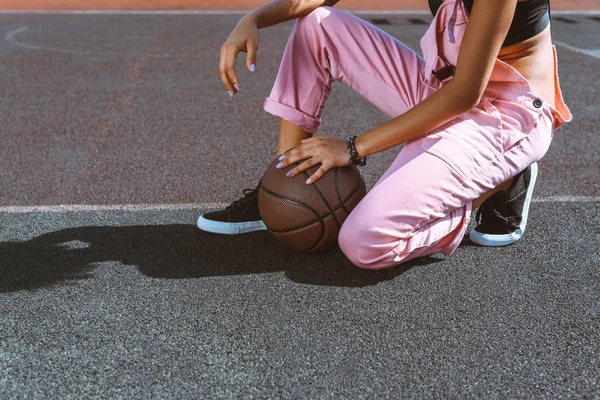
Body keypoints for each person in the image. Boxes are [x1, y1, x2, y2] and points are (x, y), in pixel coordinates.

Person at [197, 0, 571, 270]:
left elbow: (466, 95)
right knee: (318, 24)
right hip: (445, 86)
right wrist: (253, 18)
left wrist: (352, 148)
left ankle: (498, 183)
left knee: (364, 242)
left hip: (505, 117)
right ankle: (285, 184)